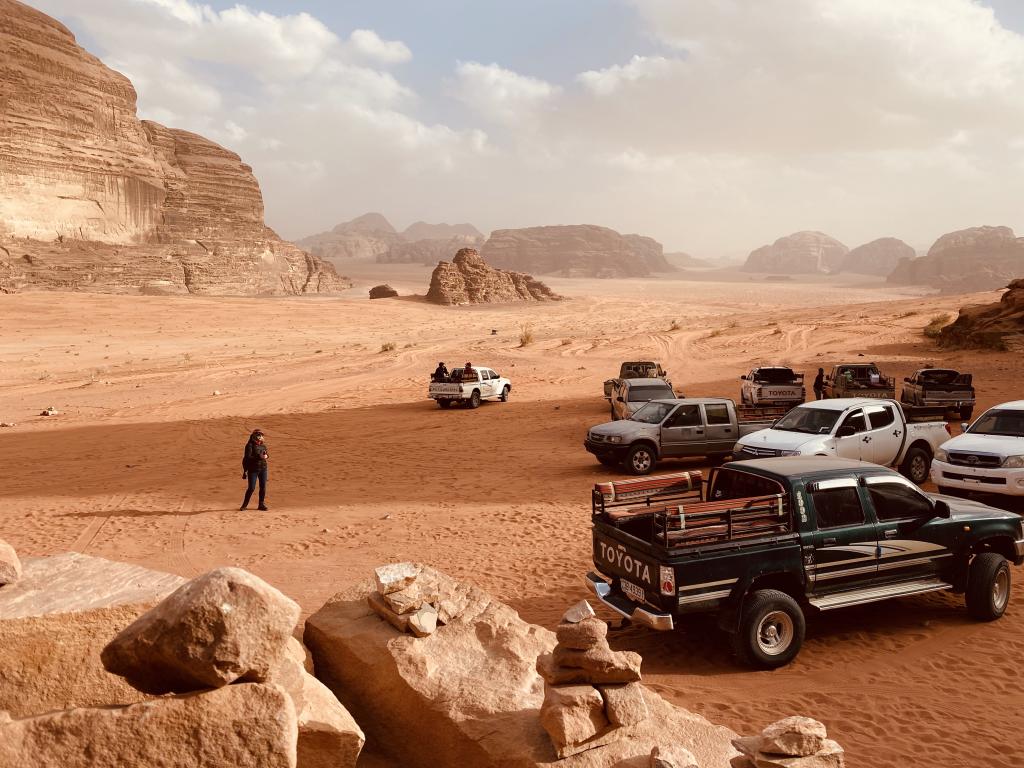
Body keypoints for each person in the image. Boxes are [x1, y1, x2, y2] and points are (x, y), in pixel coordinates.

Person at [240, 429, 269, 511]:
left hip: (263, 468)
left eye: (261, 435)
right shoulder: (249, 445)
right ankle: (244, 505)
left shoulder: (263, 446)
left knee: (263, 487)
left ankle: (261, 504)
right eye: (258, 435)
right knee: (251, 488)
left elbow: (267, 455)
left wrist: (266, 456)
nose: (260, 436)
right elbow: (247, 457)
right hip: (253, 470)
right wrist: (259, 457)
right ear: (254, 436)